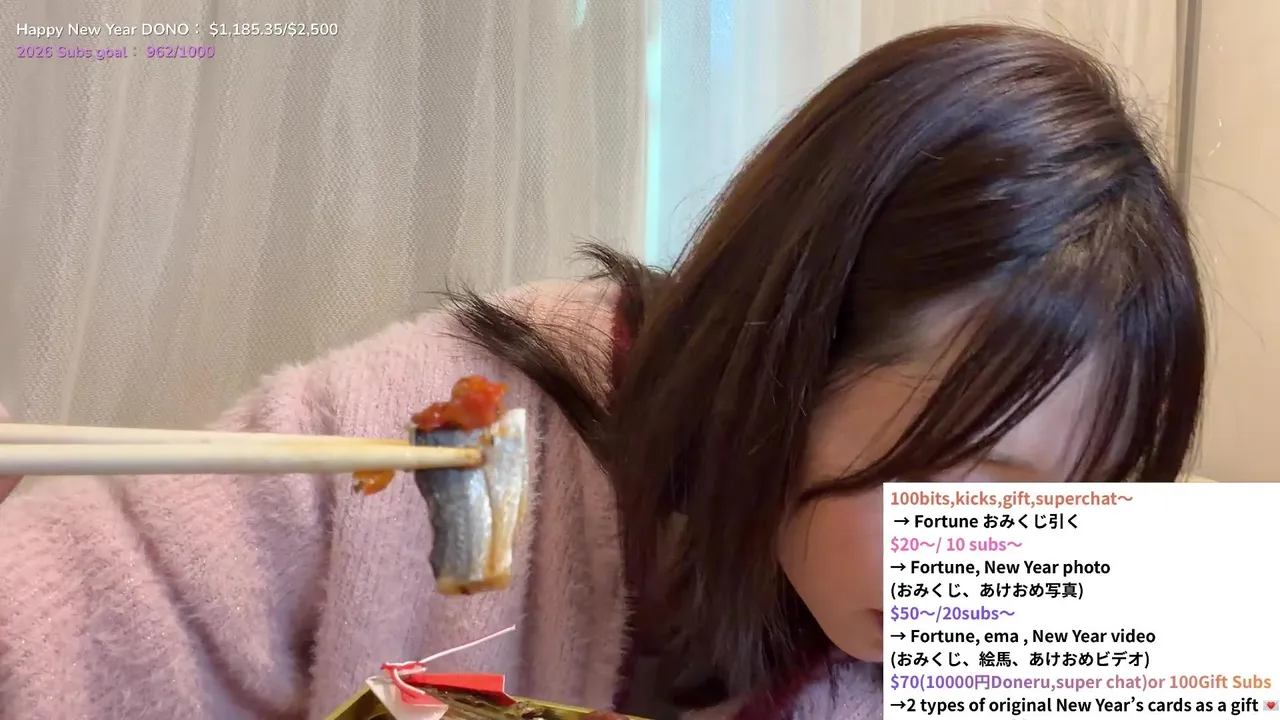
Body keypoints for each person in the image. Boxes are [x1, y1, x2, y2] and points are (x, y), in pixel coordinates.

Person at [0, 24, 1205, 720]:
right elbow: (51, 634)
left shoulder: (1052, 596)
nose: (1010, 569)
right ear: (789, 362)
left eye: (1083, 505)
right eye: (966, 486)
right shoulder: (440, 446)